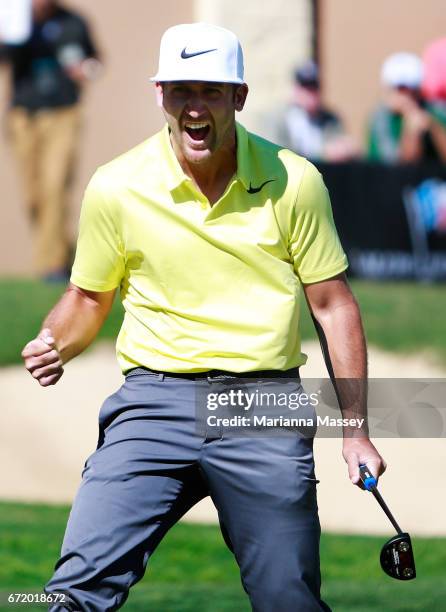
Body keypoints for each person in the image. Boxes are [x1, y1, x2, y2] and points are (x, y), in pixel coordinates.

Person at [22, 23, 385, 611]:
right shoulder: (116, 186)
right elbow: (89, 298)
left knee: (287, 598)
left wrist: (356, 430)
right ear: (160, 94)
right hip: (153, 402)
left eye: (211, 91)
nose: (195, 107)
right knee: (72, 594)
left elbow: (332, 304)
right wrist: (54, 341)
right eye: (182, 90)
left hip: (262, 402)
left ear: (238, 98)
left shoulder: (295, 181)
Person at [0, 0, 100, 280]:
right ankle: (64, 252)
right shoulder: (15, 21)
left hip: (63, 113)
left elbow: (96, 61)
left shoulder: (74, 22)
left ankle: (51, 266)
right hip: (23, 116)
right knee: (33, 196)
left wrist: (86, 70)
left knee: (55, 186)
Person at [367, 52, 446, 163]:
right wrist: (411, 130)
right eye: (400, 89)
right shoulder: (382, 118)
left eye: (411, 88)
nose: (406, 95)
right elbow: (400, 166)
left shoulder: (436, 111)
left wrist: (432, 127)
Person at [277, 60, 358, 161]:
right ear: (296, 90)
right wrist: (323, 153)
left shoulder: (331, 120)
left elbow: (340, 145)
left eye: (314, 87)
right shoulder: (282, 121)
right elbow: (279, 156)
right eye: (305, 88)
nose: (310, 94)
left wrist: (346, 149)